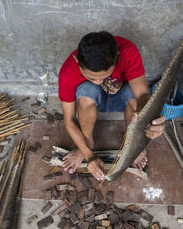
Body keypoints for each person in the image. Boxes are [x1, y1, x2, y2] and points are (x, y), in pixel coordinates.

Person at [58, 31, 165, 181]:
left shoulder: (127, 51)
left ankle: (129, 141)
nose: (99, 82)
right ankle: (87, 141)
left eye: (104, 77)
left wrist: (150, 117)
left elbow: (143, 96)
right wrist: (89, 155)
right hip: (95, 103)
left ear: (117, 56)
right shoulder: (68, 71)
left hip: (123, 101)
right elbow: (68, 120)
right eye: (91, 77)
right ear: (77, 61)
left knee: (135, 97)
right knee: (87, 91)